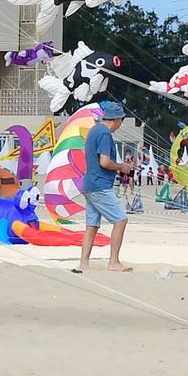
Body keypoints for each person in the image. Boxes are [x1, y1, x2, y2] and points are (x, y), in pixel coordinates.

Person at [75, 101, 132, 274]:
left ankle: (84, 263)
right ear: (116, 120)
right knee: (121, 220)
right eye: (121, 120)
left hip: (89, 184)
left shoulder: (94, 130)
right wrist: (121, 166)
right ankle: (113, 262)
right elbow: (104, 162)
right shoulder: (104, 134)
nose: (121, 124)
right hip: (99, 185)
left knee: (92, 225)